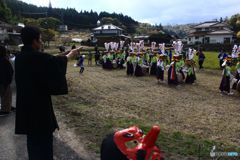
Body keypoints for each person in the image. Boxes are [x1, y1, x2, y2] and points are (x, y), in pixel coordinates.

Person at [15, 26, 81, 160]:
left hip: (26, 109)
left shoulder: (21, 57)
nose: (42, 42)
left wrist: (63, 54)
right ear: (34, 41)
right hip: (39, 110)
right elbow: (51, 63)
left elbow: (47, 61)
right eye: (40, 39)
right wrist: (70, 55)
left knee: (33, 145)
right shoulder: (37, 58)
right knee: (44, 148)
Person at [0, 45, 14, 116]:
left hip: (3, 82)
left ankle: (6, 108)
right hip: (4, 82)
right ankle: (6, 109)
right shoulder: (4, 60)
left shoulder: (3, 60)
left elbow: (9, 71)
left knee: (5, 95)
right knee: (5, 95)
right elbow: (10, 71)